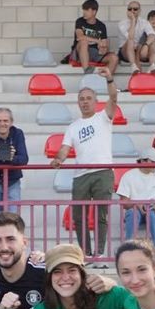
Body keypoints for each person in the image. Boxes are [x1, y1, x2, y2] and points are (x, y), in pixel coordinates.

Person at [54, 69, 119, 257]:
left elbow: (114, 98)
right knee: (79, 216)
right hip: (81, 174)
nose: (85, 102)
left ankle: (98, 253)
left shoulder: (103, 117)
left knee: (101, 214)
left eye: (88, 98)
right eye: (82, 99)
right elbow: (65, 149)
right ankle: (86, 253)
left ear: (95, 101)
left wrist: (109, 78)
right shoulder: (73, 126)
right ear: (78, 103)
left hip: (102, 171)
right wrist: (58, 159)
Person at [118, 149, 155, 242]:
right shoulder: (129, 175)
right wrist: (137, 204)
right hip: (134, 210)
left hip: (151, 210)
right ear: (143, 161)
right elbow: (124, 202)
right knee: (132, 213)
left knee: (153, 215)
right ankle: (129, 247)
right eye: (153, 161)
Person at [68, 0, 118, 72]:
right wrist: (97, 41)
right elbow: (80, 37)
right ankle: (87, 70)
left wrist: (103, 49)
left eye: (87, 10)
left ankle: (105, 80)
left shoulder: (101, 25)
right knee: (84, 42)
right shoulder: (80, 21)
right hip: (80, 52)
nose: (84, 12)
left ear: (94, 12)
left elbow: (104, 44)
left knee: (114, 58)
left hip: (95, 53)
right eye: (83, 10)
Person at [118, 1, 155, 72]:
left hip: (140, 49)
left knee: (152, 40)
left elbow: (152, 35)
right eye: (129, 9)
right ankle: (133, 65)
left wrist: (146, 45)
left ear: (139, 11)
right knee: (130, 40)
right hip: (126, 51)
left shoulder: (144, 22)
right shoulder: (122, 23)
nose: (132, 11)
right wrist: (133, 20)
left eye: (135, 9)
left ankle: (152, 65)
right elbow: (130, 37)